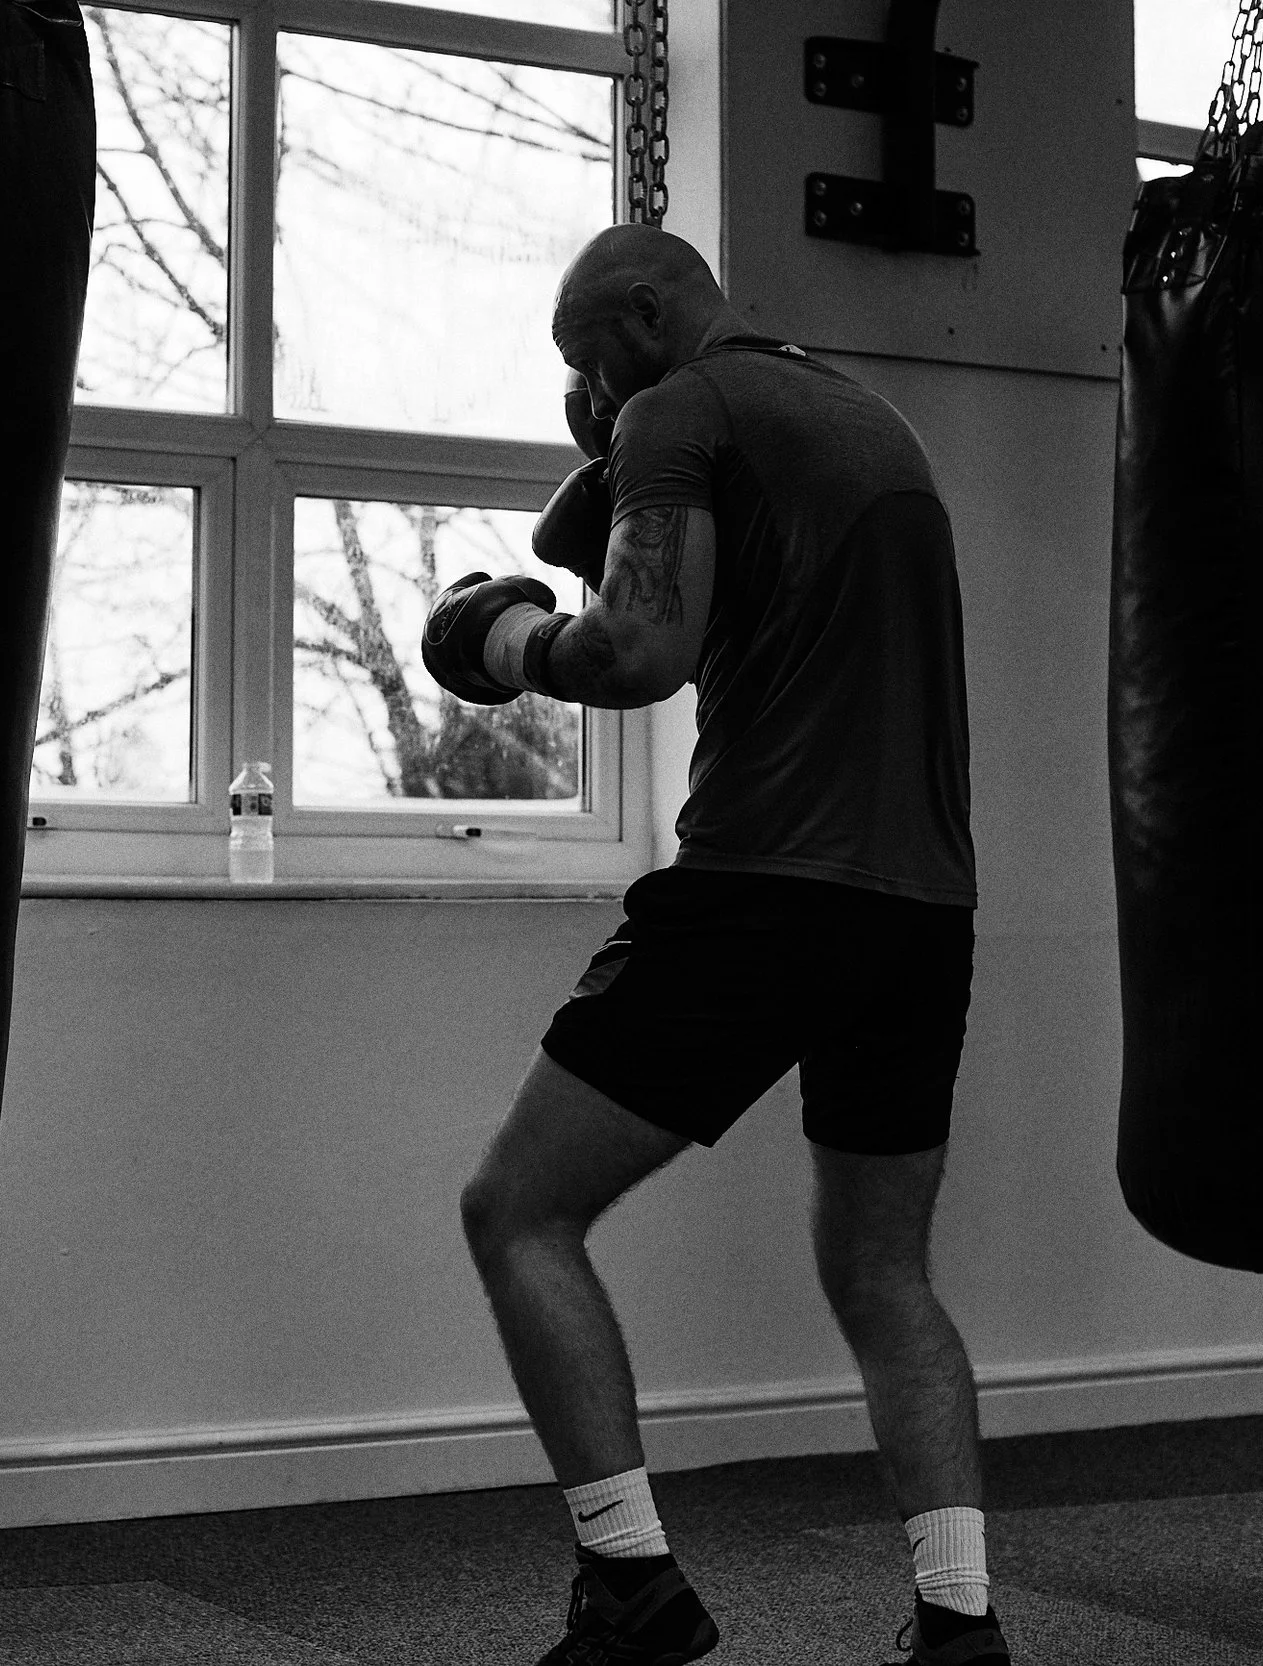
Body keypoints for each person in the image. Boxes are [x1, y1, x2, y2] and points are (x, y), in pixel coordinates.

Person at [422, 224, 1002, 1666]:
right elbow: (607, 534)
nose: (585, 383)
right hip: (920, 913)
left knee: (516, 1209)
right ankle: (961, 1622)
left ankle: (630, 1584)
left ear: (641, 310)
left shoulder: (683, 408)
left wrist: (502, 645)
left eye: (582, 355)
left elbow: (633, 648)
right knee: (884, 1274)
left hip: (766, 888)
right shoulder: (859, 413)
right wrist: (603, 442)